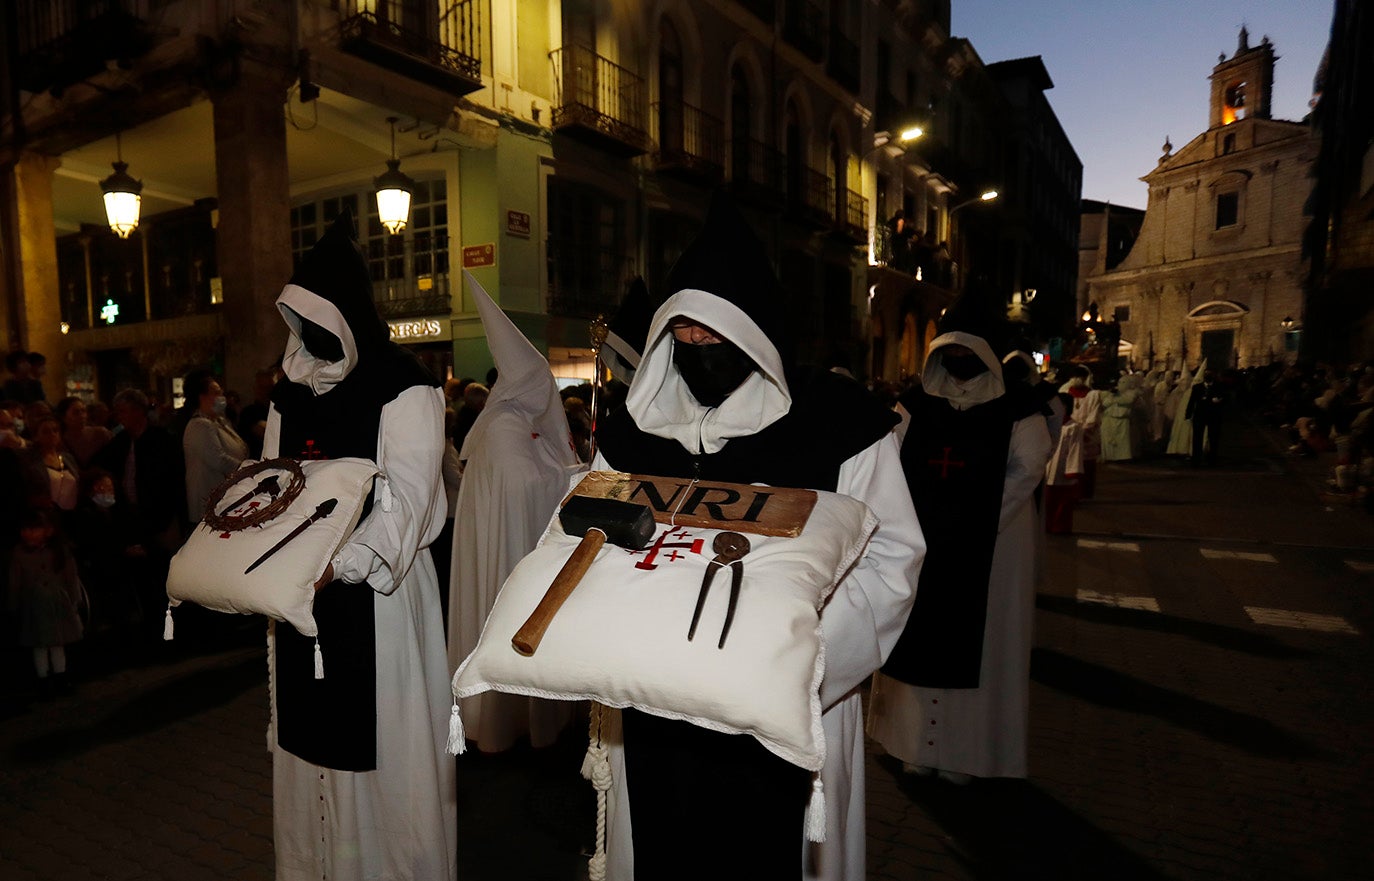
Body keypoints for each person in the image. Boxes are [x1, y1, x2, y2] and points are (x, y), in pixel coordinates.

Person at [593, 193, 923, 881]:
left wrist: (802, 661)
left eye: (713, 337)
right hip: (656, 702)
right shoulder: (631, 434)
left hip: (785, 701)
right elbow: (594, 537)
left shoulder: (837, 426)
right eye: (682, 337)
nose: (696, 350)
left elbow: (890, 560)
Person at [264, 211, 455, 881]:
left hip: (382, 600)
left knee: (387, 762)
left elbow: (409, 500)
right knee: (308, 753)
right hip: (299, 603)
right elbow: (269, 490)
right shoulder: (287, 395)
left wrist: (337, 564)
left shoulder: (405, 386)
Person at [867, 303, 1052, 784]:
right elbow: (885, 457)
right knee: (914, 639)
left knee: (984, 646)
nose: (958, 361)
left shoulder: (1018, 409)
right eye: (949, 352)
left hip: (991, 547)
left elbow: (1029, 466)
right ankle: (911, 744)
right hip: (921, 543)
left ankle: (966, 754)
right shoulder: (913, 404)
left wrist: (973, 518)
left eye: (967, 352)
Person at [447, 272, 581, 753]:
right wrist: (568, 477)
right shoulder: (503, 426)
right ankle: (504, 720)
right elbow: (526, 484)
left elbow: (535, 474)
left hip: (514, 548)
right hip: (506, 555)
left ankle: (525, 715)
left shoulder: (513, 422)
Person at [8, 508, 85, 697]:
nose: (29, 533)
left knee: (58, 642)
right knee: (40, 645)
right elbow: (14, 581)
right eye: (25, 529)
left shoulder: (60, 550)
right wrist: (13, 604)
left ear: (48, 530)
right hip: (33, 605)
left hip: (57, 602)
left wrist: (75, 599)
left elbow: (71, 577)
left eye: (34, 529)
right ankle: (43, 679)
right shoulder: (19, 553)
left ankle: (60, 676)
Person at [181, 370, 249, 526]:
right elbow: (218, 460)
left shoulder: (220, 422)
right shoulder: (199, 425)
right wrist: (246, 468)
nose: (222, 397)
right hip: (208, 500)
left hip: (225, 497)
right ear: (202, 397)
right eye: (216, 393)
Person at [22, 416, 80, 515]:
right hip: (46, 514)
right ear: (36, 436)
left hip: (72, 513)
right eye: (46, 432)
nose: (52, 434)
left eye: (55, 430)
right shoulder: (31, 461)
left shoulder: (68, 458)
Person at [55, 396, 113, 469]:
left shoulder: (101, 434)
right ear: (63, 417)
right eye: (76, 412)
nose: (82, 416)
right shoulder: (59, 442)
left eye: (83, 411)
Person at [1187, 370, 1226, 466]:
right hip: (1200, 415)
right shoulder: (1197, 387)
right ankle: (1196, 458)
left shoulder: (1219, 387)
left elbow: (1225, 399)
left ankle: (1212, 458)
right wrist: (1188, 413)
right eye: (1206, 375)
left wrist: (1219, 402)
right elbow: (1192, 401)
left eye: (1209, 375)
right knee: (1197, 437)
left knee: (1213, 437)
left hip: (1214, 415)